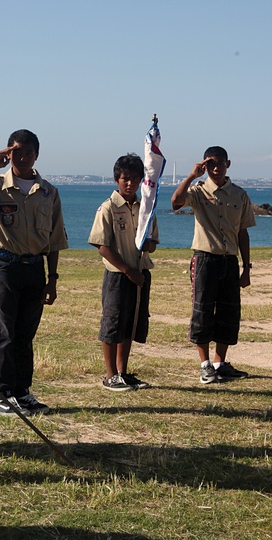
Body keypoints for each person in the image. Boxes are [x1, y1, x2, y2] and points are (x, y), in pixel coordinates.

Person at [0, 129, 68, 415]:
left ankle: (22, 391)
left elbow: (55, 240)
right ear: (7, 152)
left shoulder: (48, 192)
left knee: (25, 334)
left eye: (28, 152)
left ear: (36, 155)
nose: (22, 157)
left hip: (35, 268)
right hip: (6, 265)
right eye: (16, 152)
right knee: (4, 332)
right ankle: (2, 393)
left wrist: (52, 279)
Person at [171, 146, 255, 384]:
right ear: (205, 166)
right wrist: (191, 176)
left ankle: (220, 363)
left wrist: (246, 268)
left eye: (220, 163)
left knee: (229, 312)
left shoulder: (240, 195)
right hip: (205, 259)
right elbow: (176, 202)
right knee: (202, 311)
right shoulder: (197, 191)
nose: (216, 168)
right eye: (211, 164)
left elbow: (243, 233)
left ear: (229, 164)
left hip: (229, 260)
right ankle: (204, 364)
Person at [89, 154, 158, 391]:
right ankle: (110, 375)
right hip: (119, 275)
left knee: (131, 324)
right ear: (117, 180)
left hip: (140, 273)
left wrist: (148, 244)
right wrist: (128, 271)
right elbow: (102, 246)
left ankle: (123, 372)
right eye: (125, 179)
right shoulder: (108, 208)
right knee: (112, 324)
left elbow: (152, 242)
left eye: (135, 179)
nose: (130, 184)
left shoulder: (146, 208)